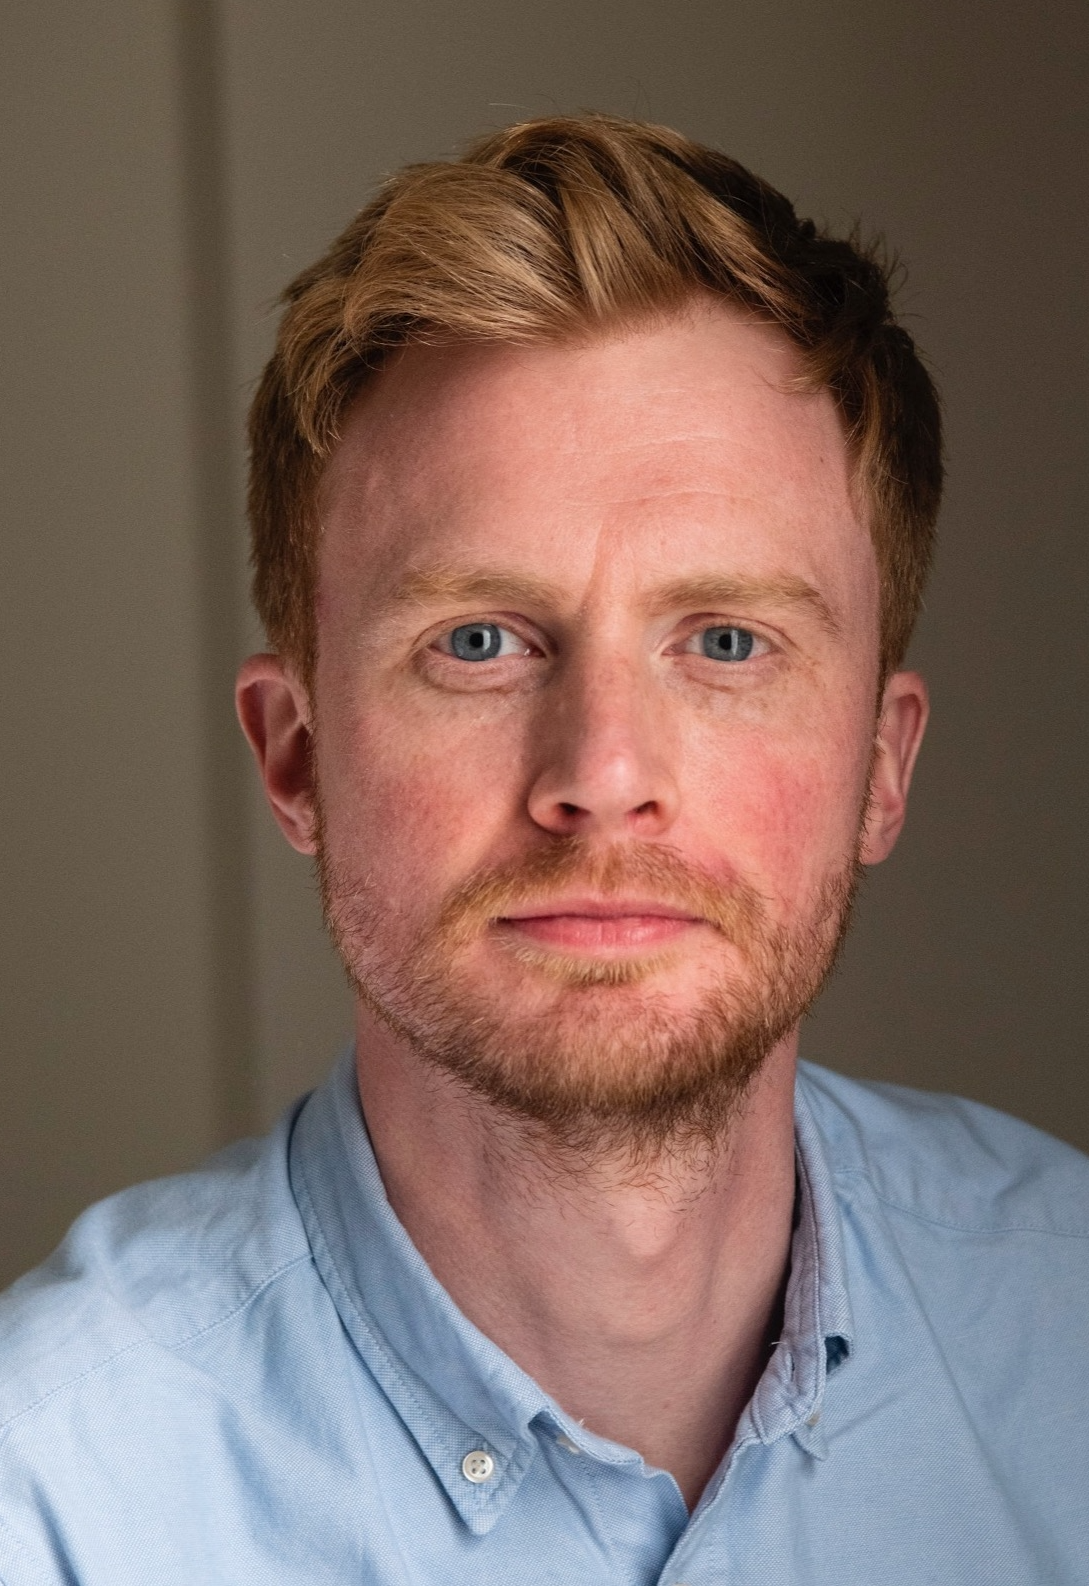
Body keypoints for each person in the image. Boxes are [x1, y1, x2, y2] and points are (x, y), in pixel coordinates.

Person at [1, 113, 1086, 1584]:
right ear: (296, 753)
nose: (604, 775)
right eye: (478, 641)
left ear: (881, 767)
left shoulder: (1066, 1334)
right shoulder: (52, 1493)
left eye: (724, 640)